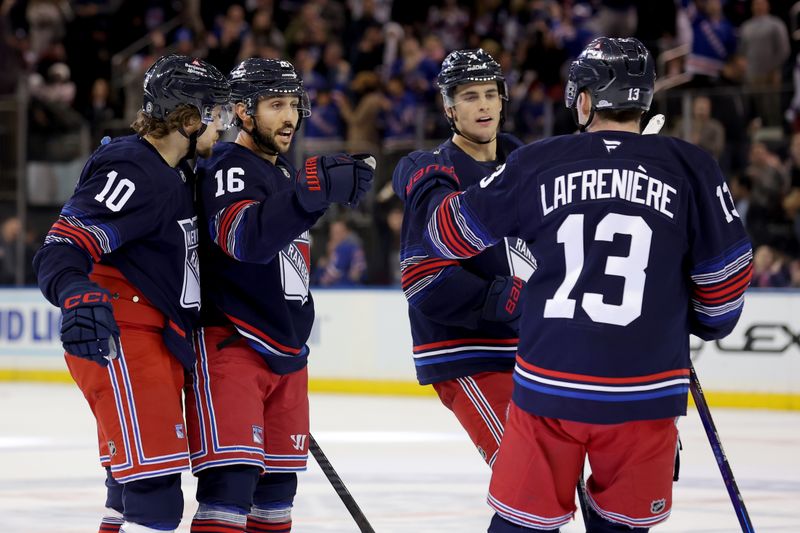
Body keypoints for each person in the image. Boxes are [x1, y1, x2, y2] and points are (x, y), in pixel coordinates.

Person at [422, 38, 753, 532]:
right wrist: (700, 319)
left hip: (549, 385)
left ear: (583, 99)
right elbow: (725, 284)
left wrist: (438, 178)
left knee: (521, 524)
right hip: (647, 392)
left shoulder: (539, 161)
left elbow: (446, 235)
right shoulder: (691, 166)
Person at [32, 55, 231, 533]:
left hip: (155, 340)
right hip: (122, 336)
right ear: (186, 119)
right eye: (213, 114)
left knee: (130, 490)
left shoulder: (180, 171)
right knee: (155, 497)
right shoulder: (133, 168)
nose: (220, 126)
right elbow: (64, 243)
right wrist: (75, 290)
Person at [185, 58, 374, 532]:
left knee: (275, 501)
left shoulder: (285, 174)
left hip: (286, 356)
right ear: (244, 112)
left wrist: (309, 191)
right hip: (234, 346)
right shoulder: (229, 166)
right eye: (274, 105)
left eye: (293, 104)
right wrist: (313, 193)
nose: (289, 117)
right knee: (229, 491)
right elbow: (243, 240)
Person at [391, 49, 535, 468]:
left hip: (528, 350)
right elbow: (421, 278)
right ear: (449, 107)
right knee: (523, 473)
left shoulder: (524, 165)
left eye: (491, 93)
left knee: (549, 480)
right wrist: (493, 298)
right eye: (471, 96)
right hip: (467, 353)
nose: (485, 104)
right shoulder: (435, 172)